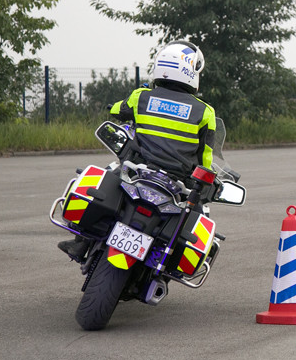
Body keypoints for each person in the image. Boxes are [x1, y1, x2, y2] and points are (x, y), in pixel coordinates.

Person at [58, 40, 217, 260]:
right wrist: (203, 179)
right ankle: (168, 262)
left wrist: (120, 107)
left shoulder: (141, 96)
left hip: (139, 169)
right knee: (195, 213)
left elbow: (117, 110)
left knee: (108, 177)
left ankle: (81, 242)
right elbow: (205, 156)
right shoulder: (206, 112)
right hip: (176, 180)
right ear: (191, 71)